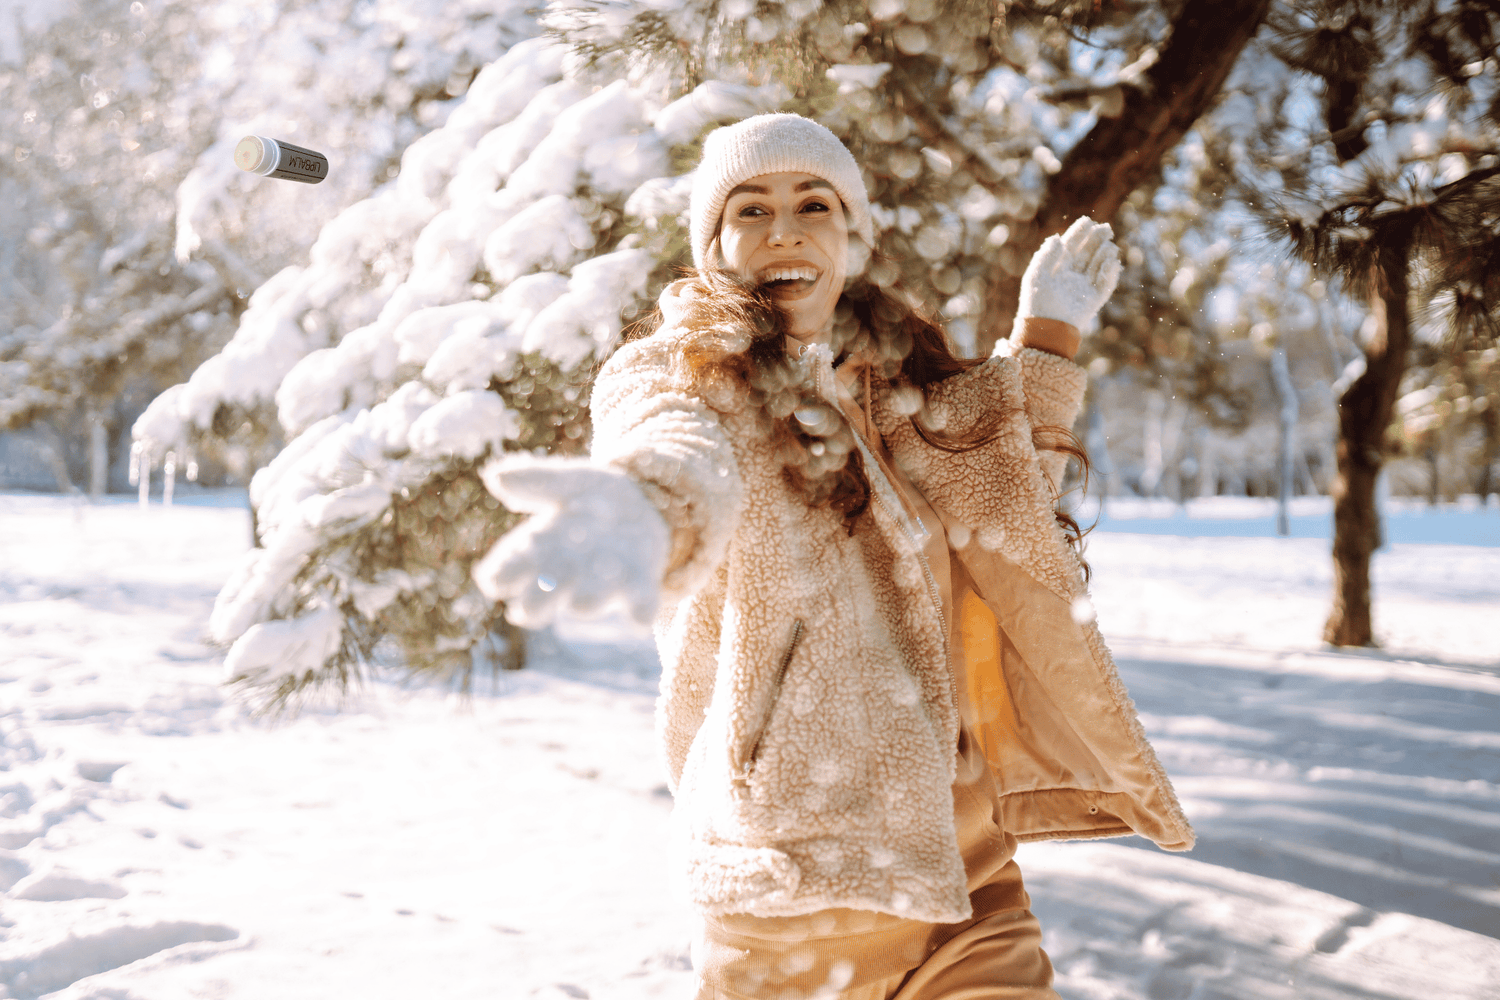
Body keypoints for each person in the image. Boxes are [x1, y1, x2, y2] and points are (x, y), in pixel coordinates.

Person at [476, 113, 1194, 999]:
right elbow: (676, 447)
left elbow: (1007, 498)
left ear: (850, 237)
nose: (783, 228)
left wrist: (1048, 334)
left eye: (813, 203)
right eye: (750, 209)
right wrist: (643, 505)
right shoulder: (682, 374)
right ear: (713, 246)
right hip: (787, 890)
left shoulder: (901, 388)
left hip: (964, 875)